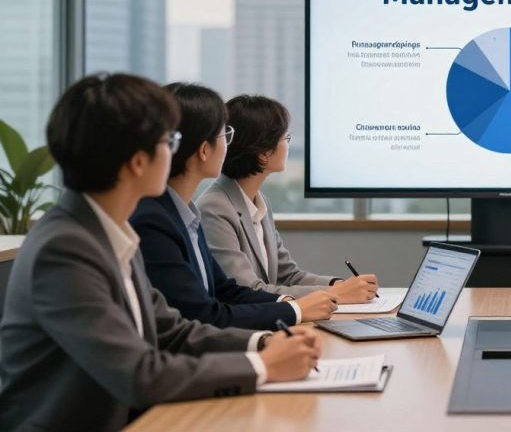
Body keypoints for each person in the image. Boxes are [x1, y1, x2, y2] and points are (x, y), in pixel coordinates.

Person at [0, 74, 319, 432]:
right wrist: (265, 366)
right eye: (170, 140)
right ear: (138, 162)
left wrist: (265, 342)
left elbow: (174, 331)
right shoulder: (64, 249)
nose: (175, 151)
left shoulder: (109, 231)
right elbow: (139, 374)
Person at [130, 83, 339, 330]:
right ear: (204, 150)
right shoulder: (160, 219)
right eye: (224, 135)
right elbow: (204, 314)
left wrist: (292, 304)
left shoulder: (186, 213)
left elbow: (225, 289)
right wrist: (294, 310)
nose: (229, 144)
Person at [199, 95, 378, 299]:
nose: (288, 144)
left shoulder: (260, 202)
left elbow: (288, 275)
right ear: (264, 153)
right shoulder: (214, 208)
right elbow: (247, 289)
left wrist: (338, 284)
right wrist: (335, 293)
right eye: (286, 138)